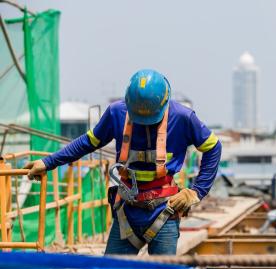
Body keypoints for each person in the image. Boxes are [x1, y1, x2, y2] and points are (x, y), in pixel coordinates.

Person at [24, 69, 222, 255]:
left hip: (164, 211)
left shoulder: (182, 118)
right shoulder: (116, 113)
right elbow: (87, 143)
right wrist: (48, 162)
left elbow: (214, 147)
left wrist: (196, 191)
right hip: (127, 211)